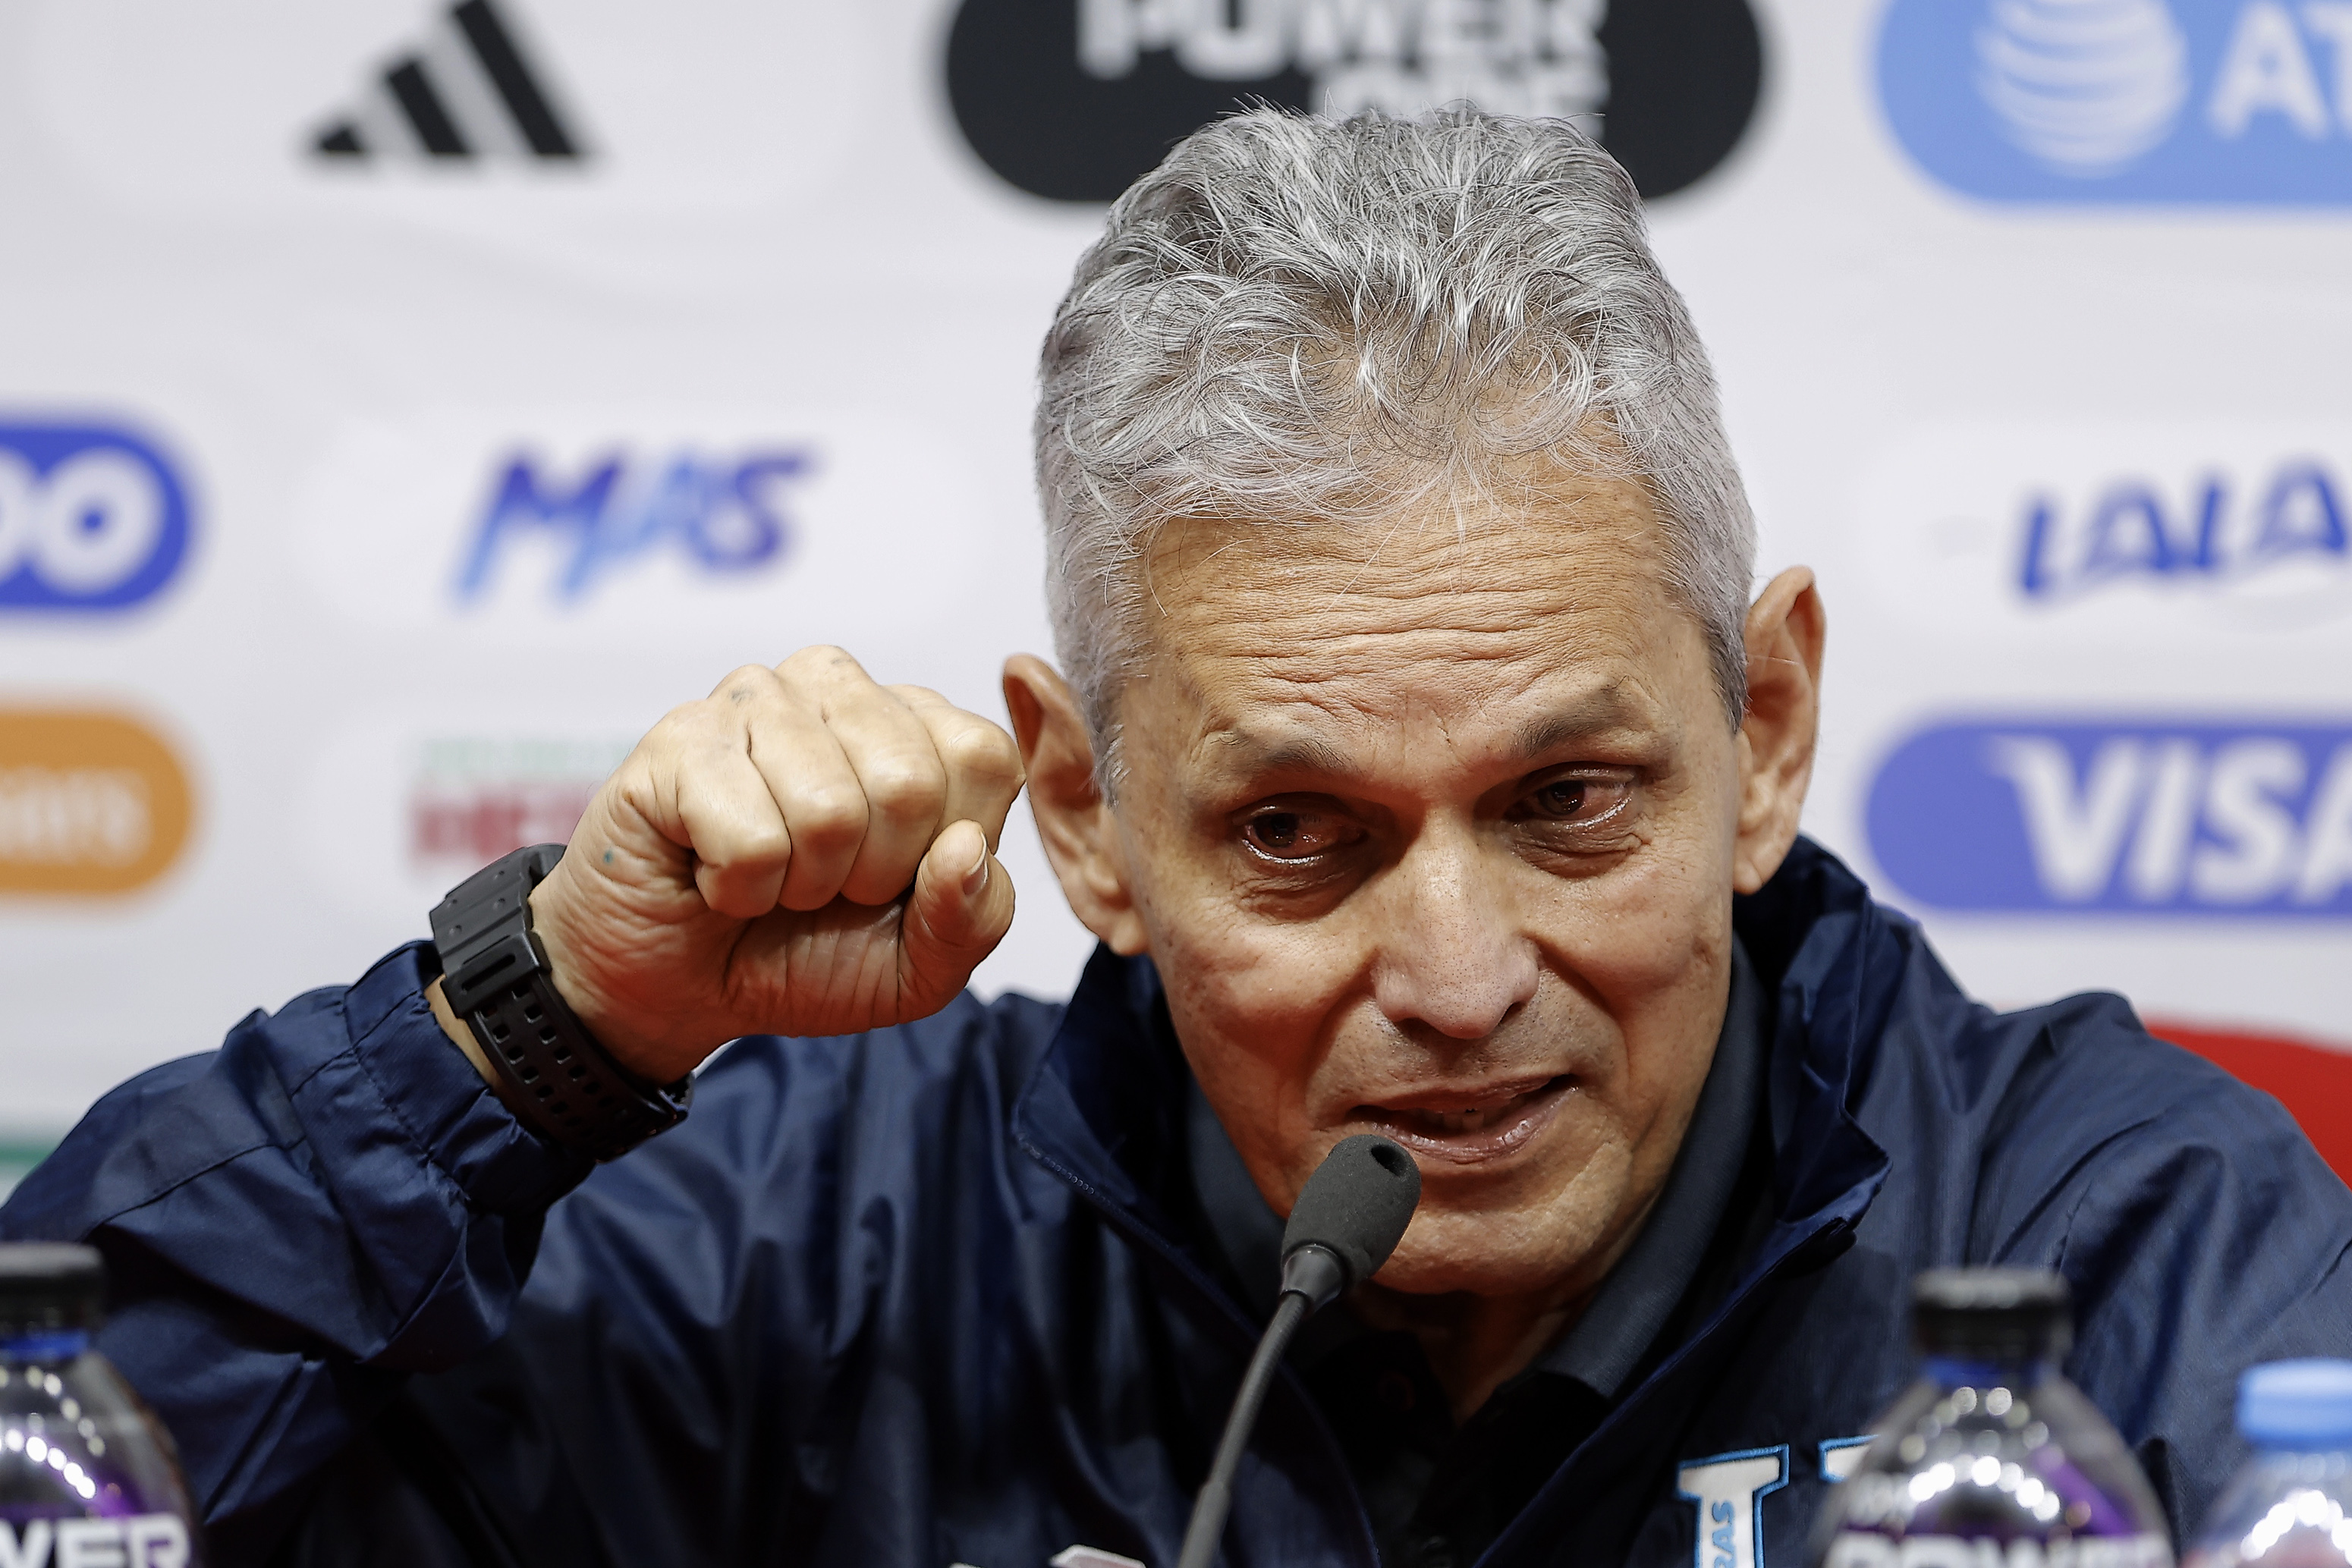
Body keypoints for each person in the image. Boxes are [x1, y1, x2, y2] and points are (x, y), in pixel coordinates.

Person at [6, 110, 2348, 1568]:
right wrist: (535, 1031)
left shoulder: (2114, 1240)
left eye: (1564, 801)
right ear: (1083, 817)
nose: (1452, 971)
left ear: (1762, 725)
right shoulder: (804, 1255)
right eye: (1301, 833)